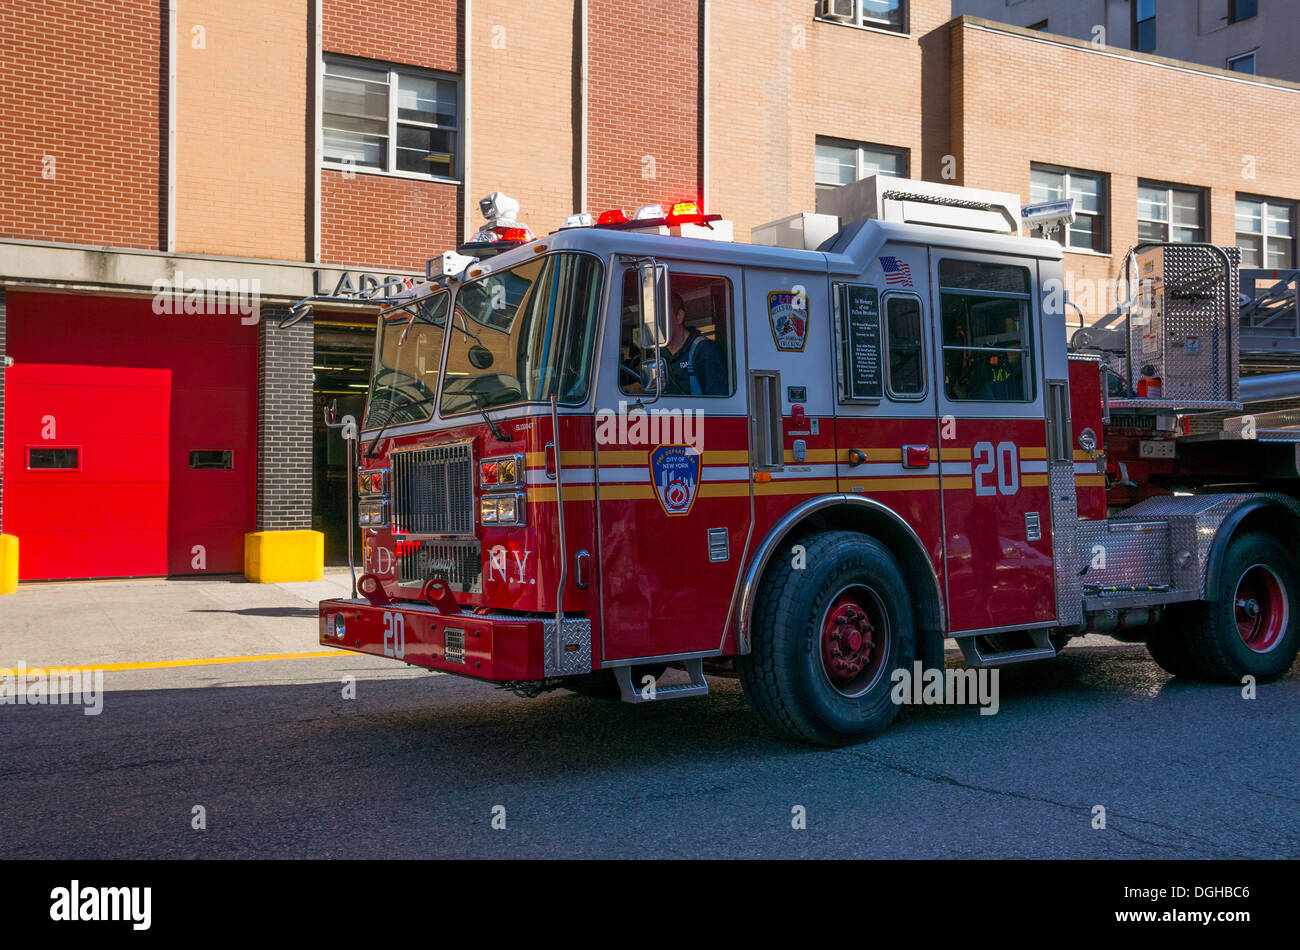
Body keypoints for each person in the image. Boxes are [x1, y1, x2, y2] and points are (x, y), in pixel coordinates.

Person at [663, 292, 726, 395]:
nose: (655, 324)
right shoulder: (659, 355)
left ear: (679, 316)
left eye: (661, 317)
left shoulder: (705, 351)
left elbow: (719, 404)